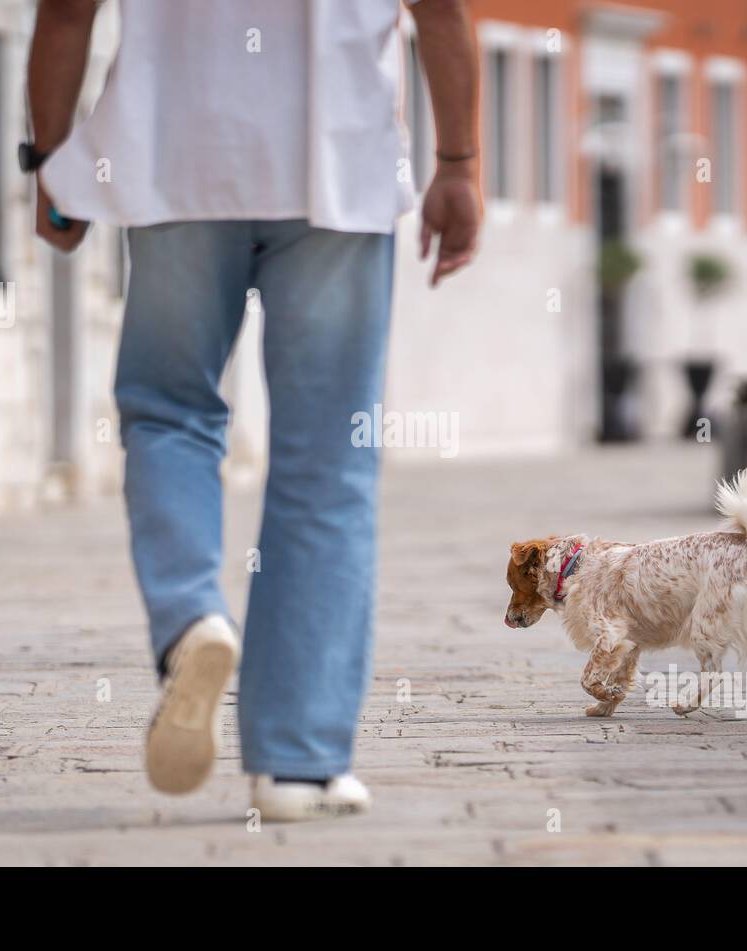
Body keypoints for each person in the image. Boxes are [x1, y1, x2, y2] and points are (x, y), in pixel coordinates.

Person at [24, 0, 481, 821]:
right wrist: (459, 164)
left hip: (177, 155)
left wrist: (53, 162)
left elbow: (66, 11)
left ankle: (190, 615)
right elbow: (442, 10)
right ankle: (297, 764)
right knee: (328, 461)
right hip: (337, 165)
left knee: (169, 411)